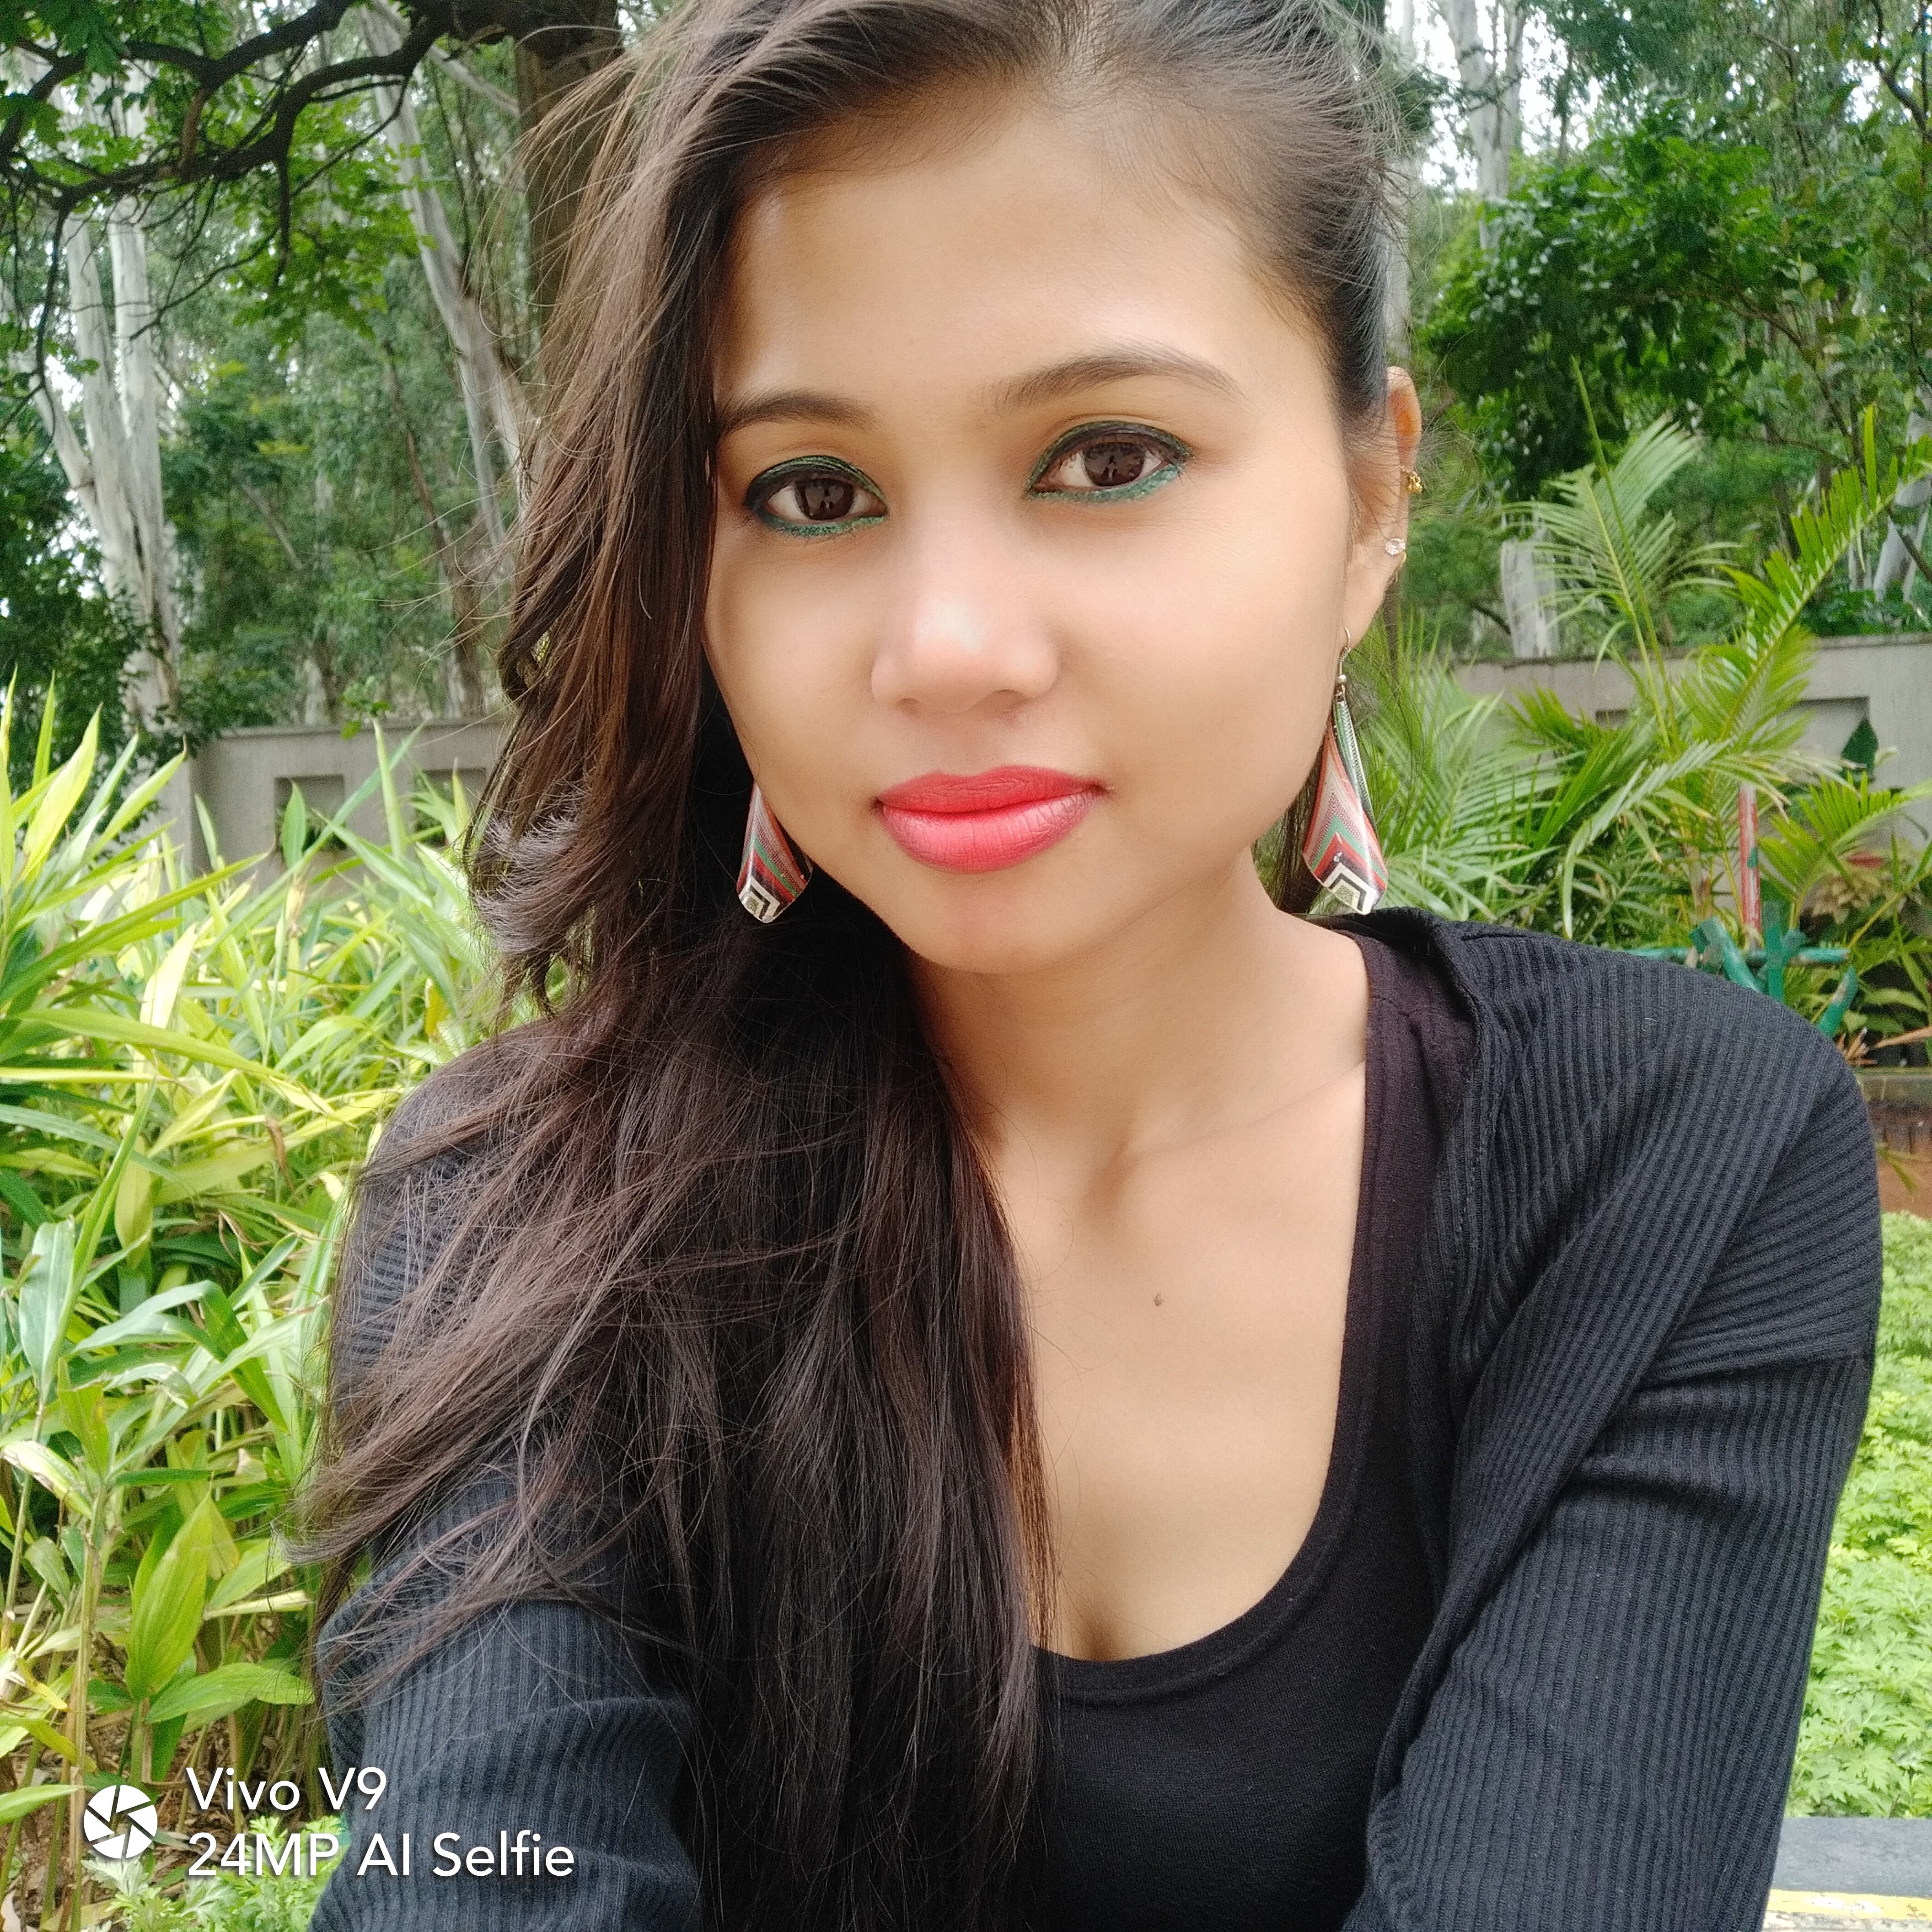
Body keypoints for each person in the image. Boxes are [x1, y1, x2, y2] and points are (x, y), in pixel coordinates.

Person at [305, 3, 1883, 1928]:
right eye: (813, 491)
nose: (947, 650)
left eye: (1106, 455)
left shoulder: (1659, 1164)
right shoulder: (517, 1225)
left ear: (1376, 493)